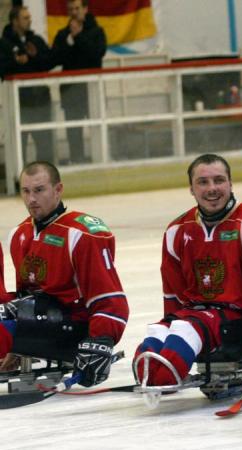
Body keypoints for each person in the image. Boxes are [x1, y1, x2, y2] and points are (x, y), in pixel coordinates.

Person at [133, 154, 242, 394]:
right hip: (201, 322)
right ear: (191, 188)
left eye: (219, 180)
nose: (212, 189)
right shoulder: (177, 231)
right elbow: (174, 302)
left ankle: (172, 366)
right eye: (203, 182)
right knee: (157, 339)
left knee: (181, 338)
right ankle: (167, 367)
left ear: (231, 183)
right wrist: (172, 340)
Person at [1, 161, 129, 387]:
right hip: (40, 318)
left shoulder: (82, 234)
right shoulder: (19, 234)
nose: (31, 199)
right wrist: (18, 347)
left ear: (58, 189)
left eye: (39, 190)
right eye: (26, 191)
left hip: (73, 328)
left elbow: (111, 302)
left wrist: (99, 342)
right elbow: (24, 295)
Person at [52, 0, 107, 165]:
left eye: (77, 8)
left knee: (98, 127)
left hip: (92, 89)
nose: (74, 12)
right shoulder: (62, 34)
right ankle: (77, 160)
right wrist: (69, 41)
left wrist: (79, 37)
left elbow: (97, 54)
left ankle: (101, 160)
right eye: (71, 9)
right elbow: (55, 57)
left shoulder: (97, 31)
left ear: (85, 9)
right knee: (73, 130)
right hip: (71, 90)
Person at [0, 6, 55, 163]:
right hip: (18, 103)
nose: (29, 20)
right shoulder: (4, 44)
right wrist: (15, 61)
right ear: (14, 21)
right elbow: (2, 68)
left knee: (45, 144)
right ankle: (20, 179)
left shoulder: (36, 40)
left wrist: (35, 55)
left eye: (29, 17)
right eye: (25, 18)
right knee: (18, 145)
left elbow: (50, 61)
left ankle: (45, 178)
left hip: (40, 102)